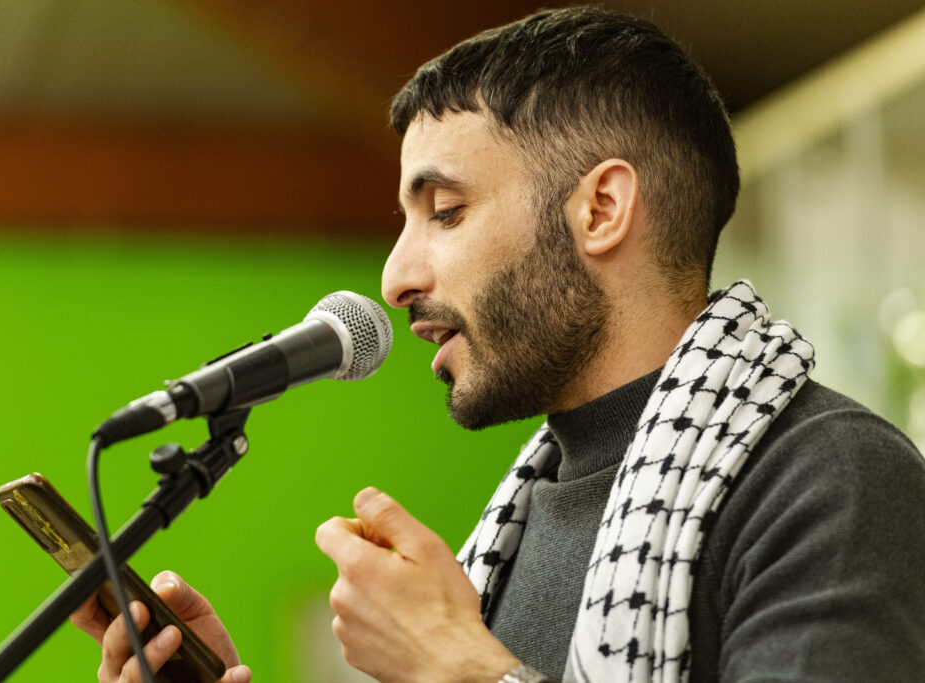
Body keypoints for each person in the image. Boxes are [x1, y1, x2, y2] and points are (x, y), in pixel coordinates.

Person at [72, 5, 925, 682]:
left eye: (444, 211)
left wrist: (459, 666)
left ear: (600, 210)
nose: (396, 275)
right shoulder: (518, 523)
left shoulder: (832, 478)